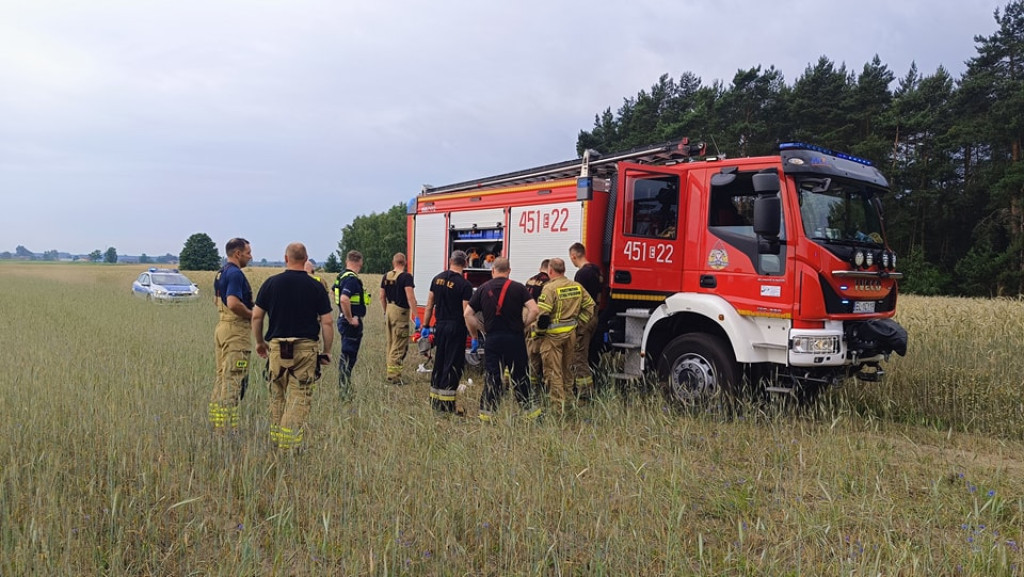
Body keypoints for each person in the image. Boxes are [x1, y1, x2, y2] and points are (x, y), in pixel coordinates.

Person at [252, 243, 334, 451]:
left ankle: (275, 441)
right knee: (299, 398)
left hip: (277, 349)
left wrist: (260, 342)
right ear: (306, 258)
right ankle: (288, 449)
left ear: (286, 259)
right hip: (305, 349)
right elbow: (327, 322)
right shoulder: (316, 285)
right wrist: (327, 351)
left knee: (277, 396)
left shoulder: (271, 283)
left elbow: (256, 316)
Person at [465, 257, 541, 422]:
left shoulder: (483, 289)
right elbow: (534, 310)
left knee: (493, 377)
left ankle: (487, 415)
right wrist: (524, 325)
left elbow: (467, 314)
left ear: (493, 270)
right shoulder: (518, 288)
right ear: (509, 271)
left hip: (493, 339)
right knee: (520, 376)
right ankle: (531, 414)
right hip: (515, 339)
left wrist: (479, 330)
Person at [537, 257, 594, 415]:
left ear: (550, 271)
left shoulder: (549, 288)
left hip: (553, 338)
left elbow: (542, 317)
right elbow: (590, 306)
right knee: (567, 371)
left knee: (553, 372)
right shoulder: (577, 286)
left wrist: (538, 334)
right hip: (571, 335)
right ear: (564, 270)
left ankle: (557, 409)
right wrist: (579, 325)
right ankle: (569, 404)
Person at [209, 237, 253, 431]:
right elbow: (234, 302)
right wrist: (253, 315)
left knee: (222, 379)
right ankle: (227, 430)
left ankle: (217, 423)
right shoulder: (235, 274)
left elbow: (216, 301)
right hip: (235, 331)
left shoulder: (221, 273)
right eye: (248, 253)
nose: (250, 257)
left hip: (222, 328)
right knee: (234, 380)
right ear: (238, 254)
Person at [421, 250, 473, 413]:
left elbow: (429, 305)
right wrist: (473, 333)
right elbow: (466, 312)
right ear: (465, 263)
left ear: (450, 261)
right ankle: (447, 405)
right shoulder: (465, 285)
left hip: (440, 326)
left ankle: (435, 400)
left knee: (440, 362)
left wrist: (425, 326)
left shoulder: (437, 279)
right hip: (456, 327)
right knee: (452, 365)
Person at [569, 242, 604, 401]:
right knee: (590, 354)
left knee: (579, 356)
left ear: (574, 256)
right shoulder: (596, 270)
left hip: (584, 319)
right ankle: (592, 384)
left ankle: (584, 394)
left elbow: (578, 300)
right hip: (595, 315)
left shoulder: (582, 275)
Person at [333, 250, 369, 397]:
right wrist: (350, 318)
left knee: (345, 356)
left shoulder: (341, 276)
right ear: (359, 262)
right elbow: (344, 298)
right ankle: (344, 391)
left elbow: (334, 293)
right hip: (350, 323)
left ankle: (345, 387)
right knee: (348, 357)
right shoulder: (352, 280)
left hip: (343, 319)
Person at [379, 252, 417, 384]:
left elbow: (381, 296)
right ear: (405, 262)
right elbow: (410, 297)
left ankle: (392, 373)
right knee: (399, 344)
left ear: (393, 262)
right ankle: (394, 377)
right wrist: (416, 317)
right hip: (400, 312)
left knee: (391, 343)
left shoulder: (386, 276)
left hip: (389, 309)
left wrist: (385, 311)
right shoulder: (406, 277)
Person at [524, 259, 550, 392]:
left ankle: (528, 381)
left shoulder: (530, 280)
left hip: (526, 317)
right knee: (536, 354)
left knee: (528, 351)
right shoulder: (548, 282)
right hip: (536, 320)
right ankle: (535, 386)